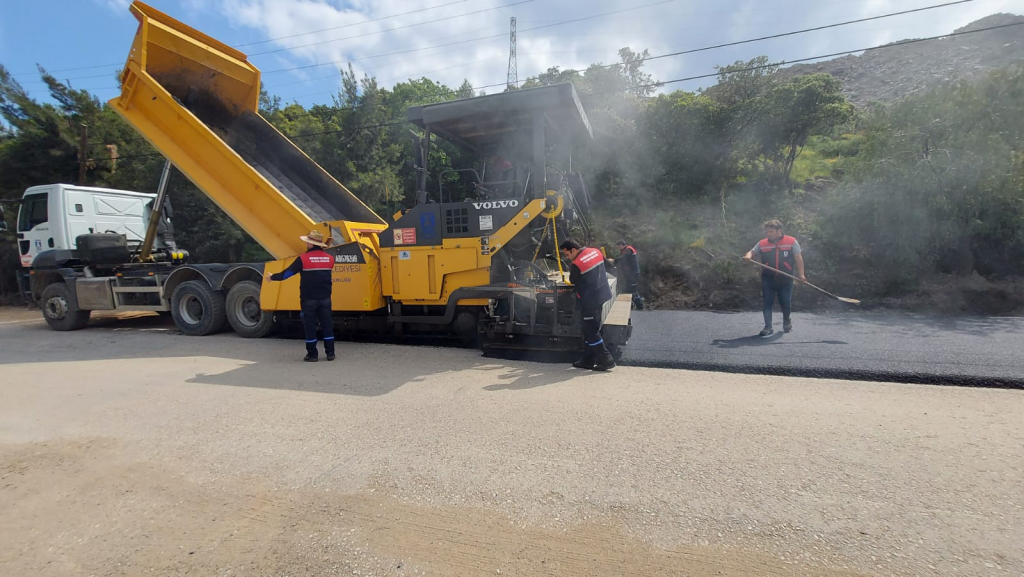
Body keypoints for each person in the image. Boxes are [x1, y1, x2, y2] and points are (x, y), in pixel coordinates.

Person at [264, 230, 336, 362]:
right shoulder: (330, 259)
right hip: (325, 299)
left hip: (309, 299)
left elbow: (287, 274)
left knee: (310, 326)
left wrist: (272, 277)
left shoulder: (302, 259)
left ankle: (312, 355)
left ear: (310, 244)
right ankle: (330, 354)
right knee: (327, 325)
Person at [743, 219, 806, 337]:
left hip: (786, 279)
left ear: (779, 230)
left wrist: (801, 274)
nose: (768, 234)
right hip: (768, 279)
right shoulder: (762, 243)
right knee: (767, 302)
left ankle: (787, 321)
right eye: (767, 232)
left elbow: (798, 258)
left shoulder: (791, 242)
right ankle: (768, 326)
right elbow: (752, 252)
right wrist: (748, 256)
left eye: (771, 232)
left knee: (785, 302)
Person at [560, 239, 615, 371]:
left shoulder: (576, 264)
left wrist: (571, 266)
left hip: (589, 300)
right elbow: (609, 266)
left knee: (591, 331)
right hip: (602, 294)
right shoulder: (595, 251)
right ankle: (588, 360)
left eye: (567, 254)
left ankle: (606, 359)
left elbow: (573, 280)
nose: (567, 258)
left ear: (573, 250)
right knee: (590, 328)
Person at [608, 240, 645, 310]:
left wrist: (614, 260)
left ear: (621, 245)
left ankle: (640, 306)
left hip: (633, 273)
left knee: (633, 290)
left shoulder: (629, 250)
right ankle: (632, 305)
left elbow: (623, 257)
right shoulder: (625, 250)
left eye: (618, 246)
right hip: (629, 273)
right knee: (629, 289)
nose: (617, 248)